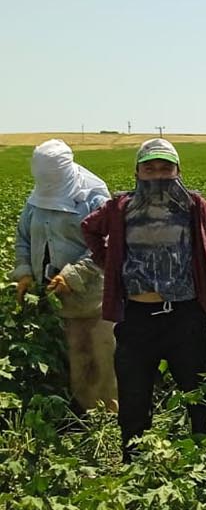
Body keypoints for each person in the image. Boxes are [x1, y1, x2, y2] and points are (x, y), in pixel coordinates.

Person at [82, 139, 206, 457]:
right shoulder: (120, 206)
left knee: (199, 396)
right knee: (134, 403)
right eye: (149, 168)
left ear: (178, 171)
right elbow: (90, 228)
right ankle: (135, 465)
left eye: (166, 168)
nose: (158, 175)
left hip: (185, 316)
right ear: (137, 171)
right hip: (137, 318)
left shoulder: (192, 204)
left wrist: (205, 256)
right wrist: (109, 260)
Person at [11, 139, 117, 412]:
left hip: (92, 297)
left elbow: (106, 244)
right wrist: (24, 272)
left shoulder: (93, 197)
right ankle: (81, 414)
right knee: (75, 356)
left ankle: (108, 421)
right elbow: (23, 237)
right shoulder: (36, 199)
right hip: (53, 296)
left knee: (101, 359)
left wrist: (73, 275)